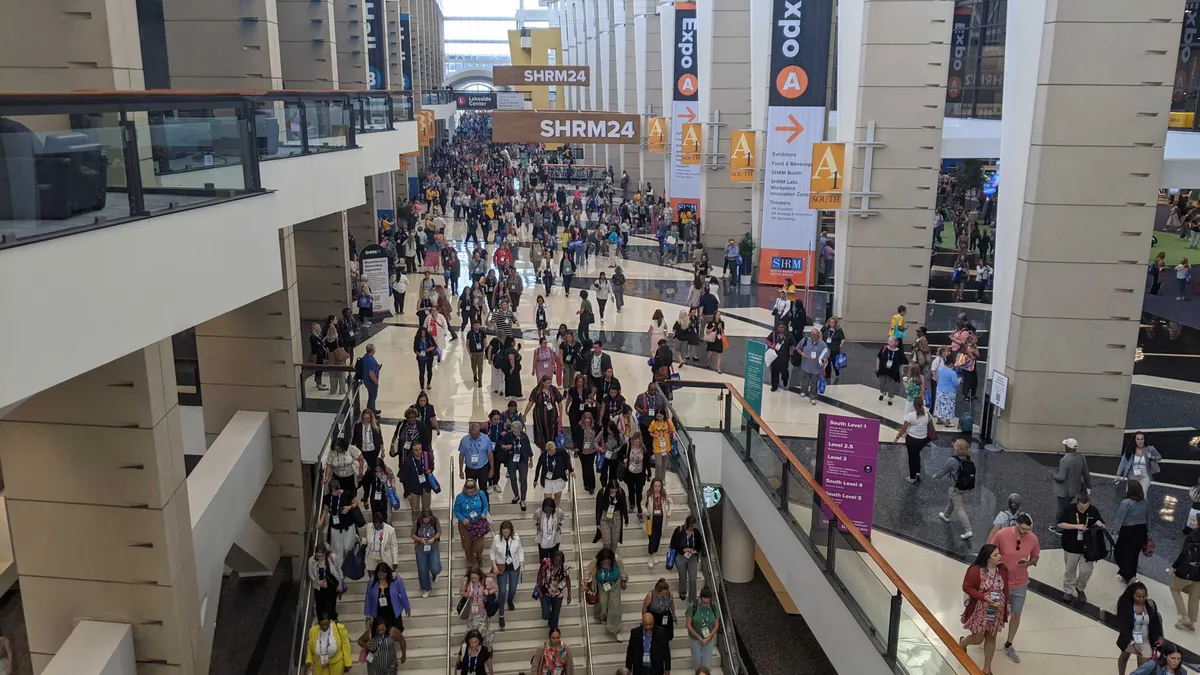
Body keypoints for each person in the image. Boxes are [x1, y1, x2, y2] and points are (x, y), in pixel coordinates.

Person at [990, 513, 1038, 664]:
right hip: (1000, 583)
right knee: (993, 612)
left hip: (1020, 584)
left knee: (1016, 614)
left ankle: (1009, 644)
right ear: (1017, 524)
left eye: (1028, 530)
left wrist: (1028, 563)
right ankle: (988, 637)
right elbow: (990, 553)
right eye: (1023, 529)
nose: (1025, 532)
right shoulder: (1002, 534)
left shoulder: (1033, 539)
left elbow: (1035, 558)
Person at [958, 544, 1009, 675]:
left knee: (991, 637)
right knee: (978, 638)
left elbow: (1005, 589)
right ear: (987, 558)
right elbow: (967, 587)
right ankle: (963, 643)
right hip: (980, 609)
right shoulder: (976, 570)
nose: (1000, 557)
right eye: (996, 555)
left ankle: (987, 669)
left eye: (999, 553)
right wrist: (983, 597)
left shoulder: (1002, 569)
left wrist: (1007, 606)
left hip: (996, 609)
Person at [1057, 492, 1105, 604]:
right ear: (1077, 503)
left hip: (1088, 547)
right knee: (1070, 569)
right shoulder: (1069, 509)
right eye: (1081, 506)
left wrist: (1100, 524)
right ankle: (1068, 590)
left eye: (1086, 505)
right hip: (1071, 545)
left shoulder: (1093, 510)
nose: (1083, 508)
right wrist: (1075, 526)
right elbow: (1060, 524)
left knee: (1087, 570)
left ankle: (1080, 587)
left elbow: (1103, 525)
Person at [1117, 582, 1164, 675]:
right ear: (1132, 595)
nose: (1142, 599)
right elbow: (1125, 626)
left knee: (1143, 668)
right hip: (1130, 639)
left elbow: (1155, 624)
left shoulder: (1150, 605)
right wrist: (1133, 643)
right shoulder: (1125, 605)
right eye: (1138, 597)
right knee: (1124, 657)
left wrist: (1157, 643)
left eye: (1144, 596)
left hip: (1145, 640)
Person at [933, 439, 976, 539]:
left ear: (956, 448)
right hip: (965, 486)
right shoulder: (968, 459)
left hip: (956, 487)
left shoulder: (952, 460)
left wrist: (937, 476)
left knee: (959, 508)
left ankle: (968, 530)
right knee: (952, 499)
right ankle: (946, 515)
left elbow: (944, 470)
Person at [584, 547, 630, 638]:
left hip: (615, 586)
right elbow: (588, 572)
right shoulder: (595, 561)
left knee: (615, 607)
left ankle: (615, 629)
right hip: (602, 586)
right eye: (604, 562)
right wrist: (585, 584)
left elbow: (623, 569)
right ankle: (603, 616)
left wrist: (623, 580)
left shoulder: (616, 558)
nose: (606, 564)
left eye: (608, 562)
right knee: (603, 604)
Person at [1112, 480, 1150, 584]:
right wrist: (1147, 532)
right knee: (1134, 555)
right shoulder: (1145, 502)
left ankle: (1127, 575)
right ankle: (1131, 575)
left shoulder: (1126, 503)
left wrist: (1114, 531)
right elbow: (1148, 518)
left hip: (1128, 531)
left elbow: (1119, 519)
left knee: (1120, 553)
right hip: (1141, 530)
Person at [489, 520, 525, 629]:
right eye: (504, 532)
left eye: (507, 532)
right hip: (501, 567)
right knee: (502, 591)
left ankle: (510, 600)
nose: (505, 534)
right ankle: (501, 614)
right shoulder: (496, 539)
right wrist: (494, 565)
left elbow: (520, 551)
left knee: (513, 589)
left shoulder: (516, 538)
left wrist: (522, 563)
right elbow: (492, 552)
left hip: (514, 566)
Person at [1052, 438, 1093, 527]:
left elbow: (1061, 478)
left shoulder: (1064, 460)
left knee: (1061, 510)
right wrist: (1088, 486)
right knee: (1070, 507)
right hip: (1075, 489)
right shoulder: (1081, 457)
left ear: (1067, 448)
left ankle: (1059, 527)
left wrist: (1053, 475)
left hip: (1064, 491)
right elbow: (1086, 473)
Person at [319, 479, 361, 565]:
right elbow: (325, 510)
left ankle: (347, 563)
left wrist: (349, 507)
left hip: (348, 525)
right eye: (334, 491)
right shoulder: (328, 498)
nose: (336, 492)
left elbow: (356, 502)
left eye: (337, 490)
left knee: (347, 547)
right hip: (335, 527)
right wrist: (321, 520)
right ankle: (339, 568)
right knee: (337, 549)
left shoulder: (347, 494)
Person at [363, 562, 411, 635]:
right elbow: (368, 598)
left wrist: (407, 607)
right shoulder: (372, 581)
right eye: (379, 573)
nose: (381, 575)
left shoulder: (396, 579)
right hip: (379, 614)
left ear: (387, 572)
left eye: (383, 573)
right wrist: (368, 616)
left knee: (395, 634)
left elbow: (403, 594)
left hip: (393, 612)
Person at [893, 397, 933, 484]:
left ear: (914, 406)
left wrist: (897, 437)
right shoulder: (927, 414)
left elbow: (903, 429)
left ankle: (912, 477)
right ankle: (918, 472)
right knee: (916, 454)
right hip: (923, 439)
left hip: (912, 440)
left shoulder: (911, 416)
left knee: (912, 457)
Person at [454, 478, 491, 569]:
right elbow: (456, 510)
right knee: (467, 544)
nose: (470, 494)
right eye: (468, 492)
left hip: (478, 523)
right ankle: (471, 561)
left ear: (475, 489)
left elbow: (486, 506)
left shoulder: (481, 494)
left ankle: (479, 556)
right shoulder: (460, 497)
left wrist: (484, 513)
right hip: (465, 524)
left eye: (472, 492)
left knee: (479, 545)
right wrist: (462, 519)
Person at [1117, 431, 1161, 504]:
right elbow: (1123, 462)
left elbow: (1159, 457)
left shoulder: (1150, 449)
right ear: (1135, 440)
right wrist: (1118, 474)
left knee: (1143, 495)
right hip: (1132, 475)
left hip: (1145, 475)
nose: (1140, 441)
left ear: (1144, 440)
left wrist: (1152, 457)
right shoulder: (1130, 449)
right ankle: (1131, 510)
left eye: (1142, 439)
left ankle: (1142, 511)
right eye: (1138, 439)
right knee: (1130, 495)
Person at [459, 566, 499, 646]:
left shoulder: (486, 581)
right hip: (472, 611)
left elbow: (495, 588)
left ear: (479, 575)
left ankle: (484, 648)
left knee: (483, 630)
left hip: (482, 611)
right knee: (472, 631)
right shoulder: (467, 582)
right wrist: (467, 594)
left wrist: (488, 592)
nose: (474, 580)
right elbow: (461, 592)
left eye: (476, 578)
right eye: (472, 578)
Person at [1169, 529, 1200, 631]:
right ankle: (1191, 621)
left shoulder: (1193, 535)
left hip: (1187, 571)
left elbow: (1184, 554)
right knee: (1194, 597)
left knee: (1174, 588)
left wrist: (1174, 566)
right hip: (1198, 575)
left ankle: (1184, 617)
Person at [305, 611, 353, 675]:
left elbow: (346, 644)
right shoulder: (312, 631)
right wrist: (309, 660)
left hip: (336, 662)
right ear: (318, 624)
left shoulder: (339, 627)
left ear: (330, 621)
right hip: (319, 664)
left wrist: (348, 662)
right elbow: (310, 646)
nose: (325, 627)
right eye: (322, 625)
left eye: (326, 624)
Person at [536, 549, 573, 631]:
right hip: (545, 592)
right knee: (545, 615)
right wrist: (538, 588)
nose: (557, 562)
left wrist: (569, 593)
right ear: (553, 559)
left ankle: (553, 634)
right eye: (556, 560)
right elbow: (539, 575)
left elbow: (568, 580)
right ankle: (550, 617)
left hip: (558, 595)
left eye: (559, 561)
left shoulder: (564, 568)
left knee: (555, 619)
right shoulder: (546, 564)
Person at [352, 409, 385, 499]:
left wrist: (382, 450)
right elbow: (354, 439)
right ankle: (366, 494)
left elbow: (380, 437)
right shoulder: (358, 425)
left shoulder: (375, 425)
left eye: (368, 418)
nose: (366, 420)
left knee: (372, 471)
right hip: (362, 451)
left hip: (373, 451)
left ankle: (371, 491)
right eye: (365, 418)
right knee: (365, 472)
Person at [670, 515, 704, 601]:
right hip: (681, 556)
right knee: (683, 576)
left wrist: (695, 550)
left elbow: (699, 545)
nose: (691, 529)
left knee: (693, 578)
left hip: (692, 557)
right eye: (689, 527)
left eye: (692, 527)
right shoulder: (679, 531)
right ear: (686, 524)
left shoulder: (696, 532)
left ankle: (692, 598)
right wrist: (683, 549)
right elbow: (673, 545)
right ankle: (682, 592)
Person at [526, 375, 564, 451]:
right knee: (541, 432)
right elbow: (530, 403)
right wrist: (525, 414)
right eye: (547, 383)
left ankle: (552, 449)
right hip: (540, 416)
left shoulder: (553, 389)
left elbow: (559, 402)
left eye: (550, 382)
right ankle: (543, 450)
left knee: (552, 431)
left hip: (552, 416)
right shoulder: (537, 391)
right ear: (543, 383)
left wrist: (561, 415)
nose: (549, 384)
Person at [686, 586, 721, 668]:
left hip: (709, 637)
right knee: (697, 662)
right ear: (700, 598)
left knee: (707, 664)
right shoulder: (692, 606)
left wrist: (708, 639)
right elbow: (688, 625)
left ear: (711, 599)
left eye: (707, 602)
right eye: (703, 602)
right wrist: (700, 638)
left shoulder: (714, 607)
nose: (705, 604)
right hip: (695, 638)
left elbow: (716, 625)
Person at [411, 508, 442, 598]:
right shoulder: (417, 522)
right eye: (425, 519)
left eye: (428, 518)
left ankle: (435, 574)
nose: (426, 520)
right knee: (422, 569)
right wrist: (420, 539)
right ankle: (426, 588)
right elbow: (412, 534)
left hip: (433, 547)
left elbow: (439, 532)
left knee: (435, 567)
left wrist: (434, 538)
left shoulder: (435, 521)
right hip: (421, 549)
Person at [792, 327, 829, 404]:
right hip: (805, 366)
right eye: (812, 334)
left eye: (815, 335)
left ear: (818, 335)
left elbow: (827, 353)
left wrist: (825, 359)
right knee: (804, 381)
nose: (814, 336)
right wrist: (802, 353)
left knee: (814, 383)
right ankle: (803, 391)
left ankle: (812, 397)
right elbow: (798, 348)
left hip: (816, 368)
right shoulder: (805, 340)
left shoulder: (823, 344)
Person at [309, 542, 344, 618]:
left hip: (331, 586)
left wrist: (340, 584)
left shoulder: (332, 558)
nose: (319, 558)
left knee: (330, 608)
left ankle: (331, 622)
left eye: (321, 556)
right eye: (318, 556)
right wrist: (317, 582)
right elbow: (311, 573)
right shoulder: (312, 560)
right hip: (319, 588)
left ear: (325, 553)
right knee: (320, 608)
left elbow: (339, 571)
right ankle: (322, 624)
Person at [644, 478, 672, 567]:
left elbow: (670, 502)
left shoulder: (664, 494)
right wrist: (646, 511)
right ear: (652, 486)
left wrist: (669, 511)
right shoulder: (648, 494)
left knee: (658, 537)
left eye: (659, 486)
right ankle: (650, 555)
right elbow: (642, 504)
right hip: (651, 519)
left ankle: (655, 553)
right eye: (655, 486)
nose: (657, 488)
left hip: (660, 519)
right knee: (652, 538)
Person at [535, 441, 574, 506]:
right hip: (547, 480)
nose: (551, 453)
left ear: (555, 448)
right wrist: (535, 479)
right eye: (549, 451)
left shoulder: (561, 452)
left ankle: (554, 511)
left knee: (557, 496)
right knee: (547, 499)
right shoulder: (544, 455)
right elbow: (538, 466)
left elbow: (567, 461)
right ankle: (548, 510)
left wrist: (571, 470)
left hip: (558, 479)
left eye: (552, 451)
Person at [596, 479, 630, 550]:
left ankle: (613, 555)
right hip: (604, 517)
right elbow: (598, 507)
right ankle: (607, 556)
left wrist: (626, 519)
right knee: (606, 540)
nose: (614, 492)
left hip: (616, 517)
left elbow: (624, 506)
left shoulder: (620, 492)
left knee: (615, 540)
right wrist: (597, 521)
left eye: (615, 490)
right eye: (612, 490)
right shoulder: (602, 492)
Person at [458, 422, 495, 487]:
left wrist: (492, 469)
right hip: (470, 468)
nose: (475, 436)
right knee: (470, 488)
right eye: (473, 435)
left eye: (476, 434)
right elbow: (461, 455)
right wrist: (461, 470)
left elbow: (490, 455)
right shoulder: (464, 440)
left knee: (483, 488)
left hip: (483, 467)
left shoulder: (486, 439)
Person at [363, 509, 400, 573]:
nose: (377, 525)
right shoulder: (369, 527)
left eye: (379, 524)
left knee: (383, 580)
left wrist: (395, 561)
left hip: (383, 558)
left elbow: (394, 546)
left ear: (382, 522)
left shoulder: (390, 530)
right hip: (371, 557)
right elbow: (368, 540)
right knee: (372, 580)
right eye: (375, 523)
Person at [876, 336, 907, 405]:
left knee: (891, 385)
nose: (889, 343)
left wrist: (901, 371)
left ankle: (890, 398)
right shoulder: (884, 348)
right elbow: (878, 357)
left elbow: (902, 363)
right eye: (889, 341)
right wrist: (877, 366)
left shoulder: (899, 352)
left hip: (893, 371)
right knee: (882, 383)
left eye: (891, 341)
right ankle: (883, 392)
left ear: (895, 343)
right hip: (883, 369)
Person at [932, 347, 959, 426]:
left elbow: (937, 376)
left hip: (939, 390)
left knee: (939, 405)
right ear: (951, 364)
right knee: (948, 406)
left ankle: (939, 419)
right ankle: (947, 422)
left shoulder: (940, 370)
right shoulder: (952, 373)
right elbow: (956, 383)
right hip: (949, 392)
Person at [647, 409, 676, 482]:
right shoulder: (653, 423)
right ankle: (657, 479)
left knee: (664, 464)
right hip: (657, 446)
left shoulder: (668, 422)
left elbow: (673, 430)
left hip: (666, 446)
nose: (659, 418)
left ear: (664, 415)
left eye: (660, 416)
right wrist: (654, 435)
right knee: (658, 464)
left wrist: (674, 435)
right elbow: (650, 432)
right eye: (657, 416)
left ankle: (662, 479)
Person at [535, 496, 567, 561]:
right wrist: (538, 525)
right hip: (543, 537)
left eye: (550, 509)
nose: (548, 511)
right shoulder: (539, 512)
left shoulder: (558, 512)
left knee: (553, 558)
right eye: (546, 509)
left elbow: (563, 518)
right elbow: (534, 519)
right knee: (543, 559)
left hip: (554, 538)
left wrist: (559, 525)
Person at [766, 323, 793, 392]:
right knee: (774, 372)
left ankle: (785, 380)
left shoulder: (789, 335)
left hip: (784, 357)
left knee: (784, 371)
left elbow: (793, 344)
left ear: (785, 328)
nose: (781, 329)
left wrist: (792, 351)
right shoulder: (774, 334)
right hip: (775, 356)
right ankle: (774, 385)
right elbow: (767, 340)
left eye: (782, 327)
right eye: (779, 327)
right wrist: (771, 345)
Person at [822, 316, 845, 383]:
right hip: (827, 348)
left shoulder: (839, 330)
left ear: (835, 323)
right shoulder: (826, 328)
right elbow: (821, 331)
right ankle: (828, 375)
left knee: (835, 362)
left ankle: (837, 371)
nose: (831, 323)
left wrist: (841, 344)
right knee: (827, 362)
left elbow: (843, 338)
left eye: (833, 322)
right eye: (830, 322)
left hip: (835, 348)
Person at [360, 343, 382, 414]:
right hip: (371, 381)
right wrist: (375, 381)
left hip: (366, 380)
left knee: (371, 395)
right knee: (373, 396)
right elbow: (371, 373)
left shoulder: (365, 357)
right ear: (372, 350)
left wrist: (377, 368)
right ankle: (372, 410)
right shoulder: (371, 360)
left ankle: (369, 408)